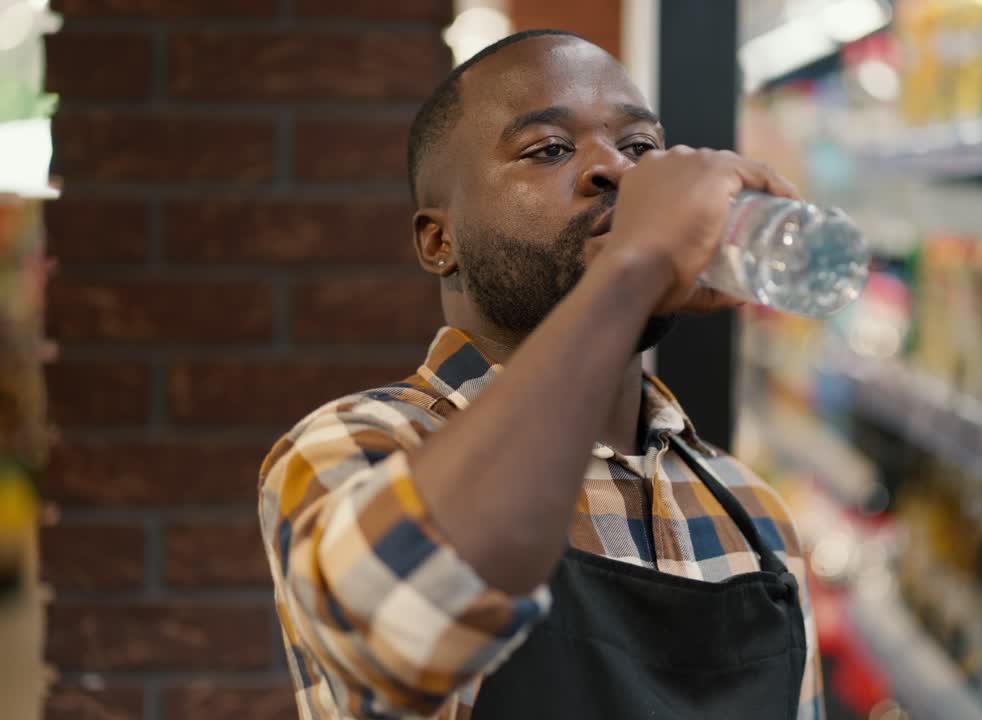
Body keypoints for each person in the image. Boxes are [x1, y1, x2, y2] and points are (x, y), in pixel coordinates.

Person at [259, 29, 823, 720]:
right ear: (439, 241)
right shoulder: (357, 446)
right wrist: (633, 266)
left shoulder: (753, 509)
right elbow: (396, 627)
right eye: (550, 149)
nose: (616, 171)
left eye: (640, 147)